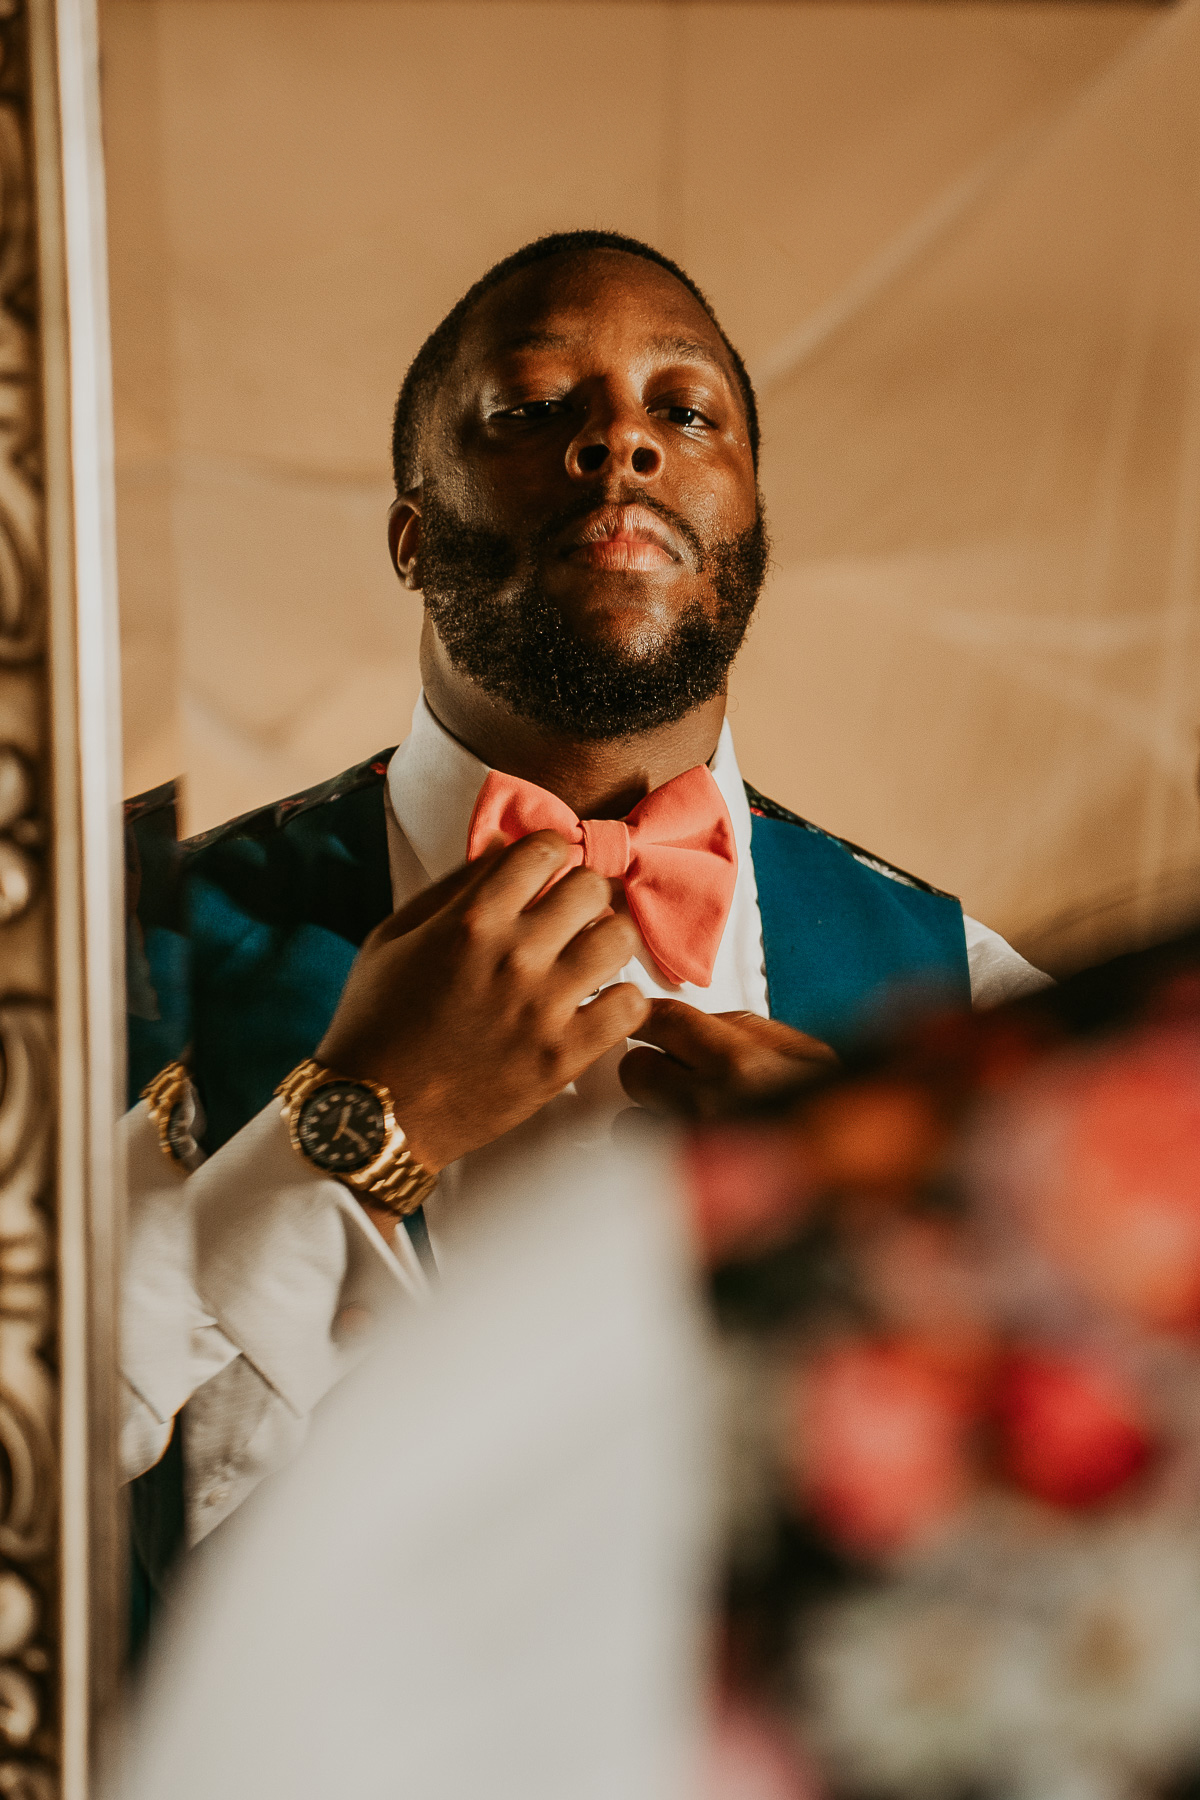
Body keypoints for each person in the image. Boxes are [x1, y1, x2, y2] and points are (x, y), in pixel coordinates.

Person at [120, 229, 1048, 1625]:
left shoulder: (972, 1000)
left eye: (683, 411)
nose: (622, 440)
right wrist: (354, 1129)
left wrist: (903, 1260)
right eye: (536, 408)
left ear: (750, 528)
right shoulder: (110, 954)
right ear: (410, 529)